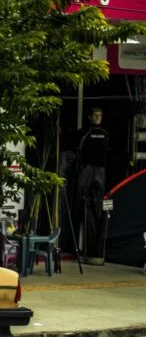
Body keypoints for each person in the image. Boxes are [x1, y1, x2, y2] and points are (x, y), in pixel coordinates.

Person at [73, 107, 110, 264]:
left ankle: (96, 246)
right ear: (89, 117)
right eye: (95, 115)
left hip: (100, 169)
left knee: (99, 203)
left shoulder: (105, 133)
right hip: (87, 168)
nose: (97, 117)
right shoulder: (84, 132)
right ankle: (78, 246)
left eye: (100, 115)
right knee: (81, 199)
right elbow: (77, 150)